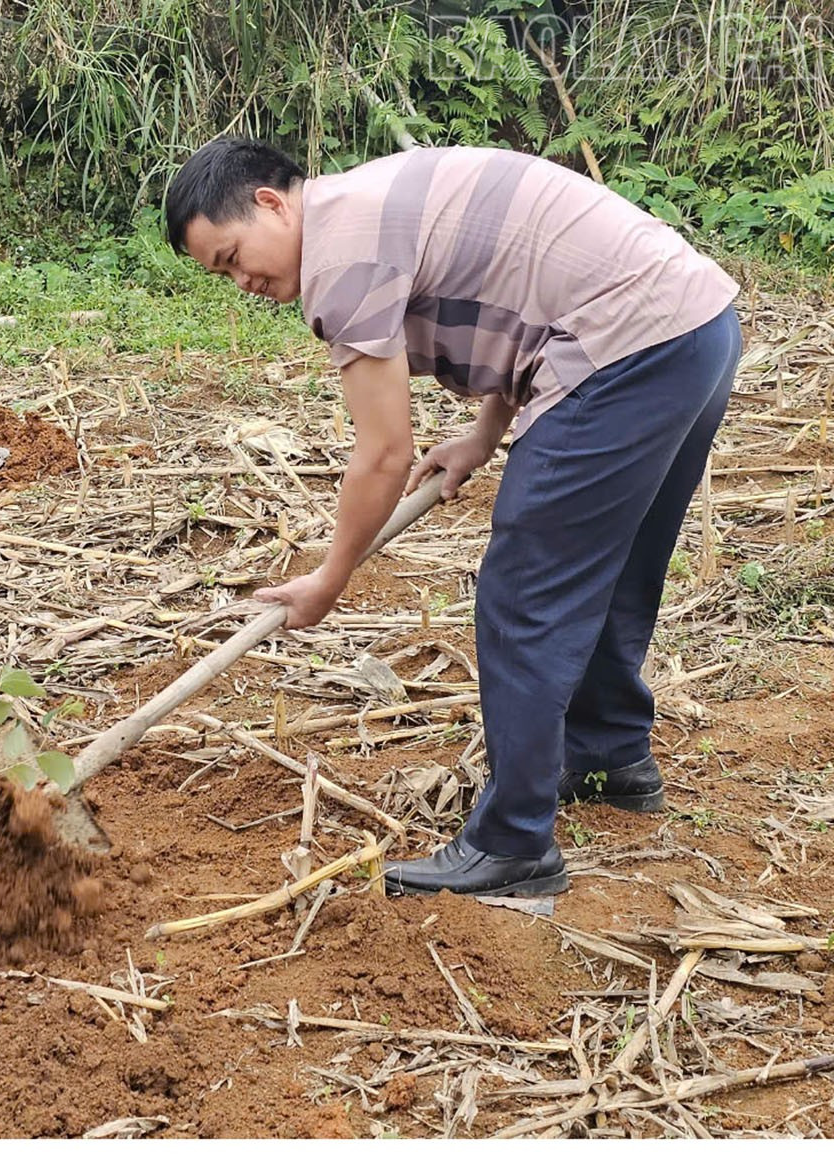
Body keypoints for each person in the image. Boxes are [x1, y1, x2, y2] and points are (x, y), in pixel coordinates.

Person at [163, 139, 740, 896]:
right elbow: (531, 309)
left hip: (628, 348)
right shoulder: (367, 203)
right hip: (693, 329)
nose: (241, 282)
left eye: (233, 256)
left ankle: (514, 848)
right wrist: (482, 437)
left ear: (271, 202)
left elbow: (383, 454)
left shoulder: (342, 259)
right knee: (612, 565)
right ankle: (607, 755)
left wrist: (331, 579)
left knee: (525, 592)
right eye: (223, 274)